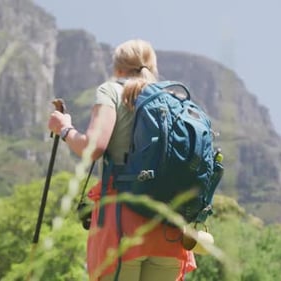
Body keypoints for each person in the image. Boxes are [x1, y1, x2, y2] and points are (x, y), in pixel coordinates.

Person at [47, 39, 196, 281]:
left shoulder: (112, 91)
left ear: (118, 69)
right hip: (170, 231)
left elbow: (93, 148)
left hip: (122, 226)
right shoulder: (174, 100)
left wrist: (64, 129)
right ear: (152, 67)